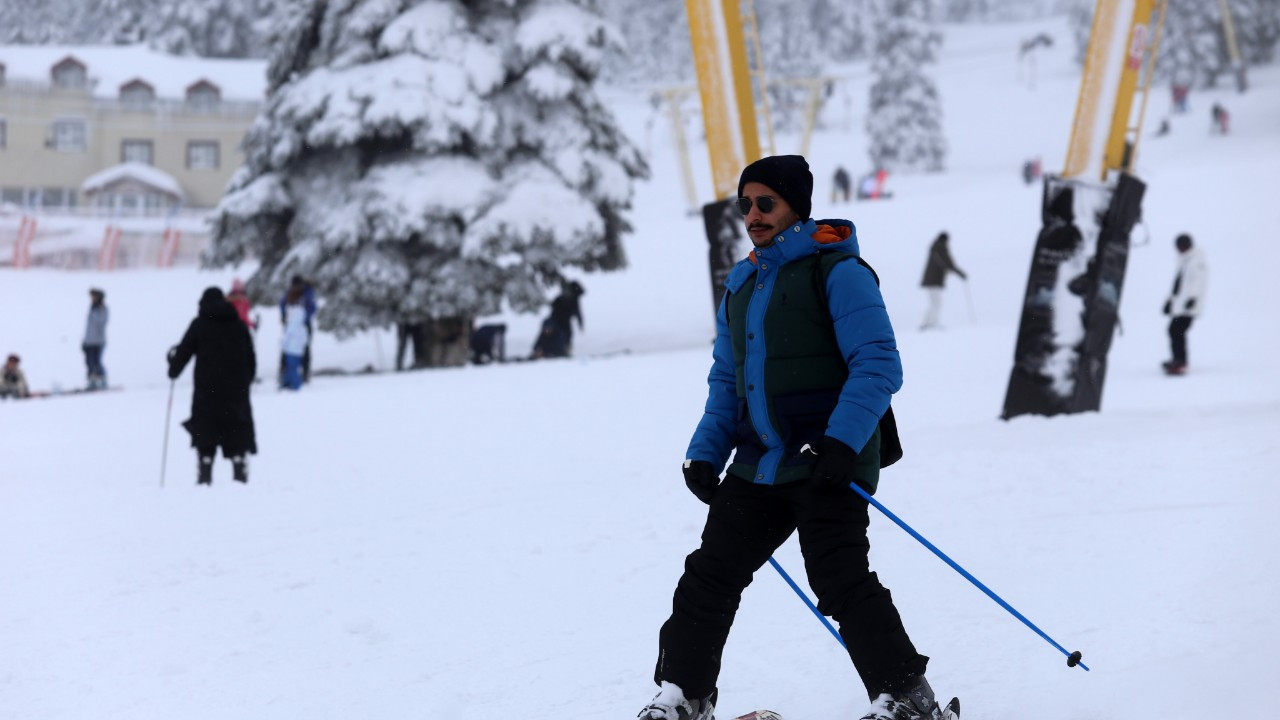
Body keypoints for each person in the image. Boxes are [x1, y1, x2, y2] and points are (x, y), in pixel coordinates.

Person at [638, 155, 946, 720]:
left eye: (766, 203)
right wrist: (707, 451)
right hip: (760, 465)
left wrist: (841, 444)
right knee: (709, 575)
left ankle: (908, 698)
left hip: (828, 458)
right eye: (745, 204)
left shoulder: (838, 272)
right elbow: (729, 380)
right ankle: (685, 695)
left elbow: (878, 363)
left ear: (795, 207)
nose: (752, 215)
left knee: (840, 579)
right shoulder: (743, 281)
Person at [167, 287, 258, 485]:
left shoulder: (200, 325)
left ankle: (205, 468)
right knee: (236, 429)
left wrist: (173, 369)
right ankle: (239, 466)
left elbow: (183, 353)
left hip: (207, 392)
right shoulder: (239, 326)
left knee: (206, 431)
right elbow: (251, 360)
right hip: (236, 392)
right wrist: (245, 380)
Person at [1162, 233, 1207, 375]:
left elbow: (1199, 282)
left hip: (1189, 307)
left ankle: (1180, 362)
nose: (1179, 249)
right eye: (1178, 246)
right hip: (1180, 306)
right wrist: (1169, 301)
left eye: (1182, 246)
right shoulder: (1184, 260)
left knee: (1176, 331)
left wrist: (1192, 299)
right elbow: (1177, 284)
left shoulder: (1197, 260)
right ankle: (1178, 360)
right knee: (1173, 331)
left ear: (1188, 245)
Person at [919, 232, 967, 331]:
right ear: (944, 240)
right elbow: (948, 264)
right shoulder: (940, 248)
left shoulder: (936, 248)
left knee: (934, 302)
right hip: (934, 280)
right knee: (936, 302)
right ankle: (931, 324)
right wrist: (960, 274)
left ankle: (928, 323)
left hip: (932, 280)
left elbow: (946, 264)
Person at [530, 281, 584, 359]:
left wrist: (580, 322)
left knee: (564, 336)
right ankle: (561, 351)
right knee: (558, 335)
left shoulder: (571, 299)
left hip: (562, 322)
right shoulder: (562, 299)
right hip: (557, 321)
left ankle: (564, 350)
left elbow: (578, 312)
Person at [278, 275, 316, 383]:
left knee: (305, 349)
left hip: (303, 325)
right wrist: (285, 317)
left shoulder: (307, 293)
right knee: (287, 350)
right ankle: (284, 373)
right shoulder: (290, 292)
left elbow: (312, 308)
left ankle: (305, 373)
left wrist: (302, 319)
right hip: (291, 325)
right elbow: (282, 304)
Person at [280, 287, 309, 390]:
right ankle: (286, 383)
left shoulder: (291, 326)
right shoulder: (302, 327)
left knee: (291, 368)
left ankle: (295, 385)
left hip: (291, 350)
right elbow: (305, 340)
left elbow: (287, 337)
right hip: (298, 351)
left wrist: (283, 345)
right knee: (293, 368)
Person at [82, 288, 108, 390]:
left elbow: (101, 322)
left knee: (96, 362)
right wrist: (85, 341)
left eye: (94, 297)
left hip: (98, 341)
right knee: (89, 362)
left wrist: (97, 308)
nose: (92, 299)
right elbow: (89, 327)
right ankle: (91, 380)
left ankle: (101, 379)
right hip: (89, 341)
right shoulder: (92, 308)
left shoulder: (102, 309)